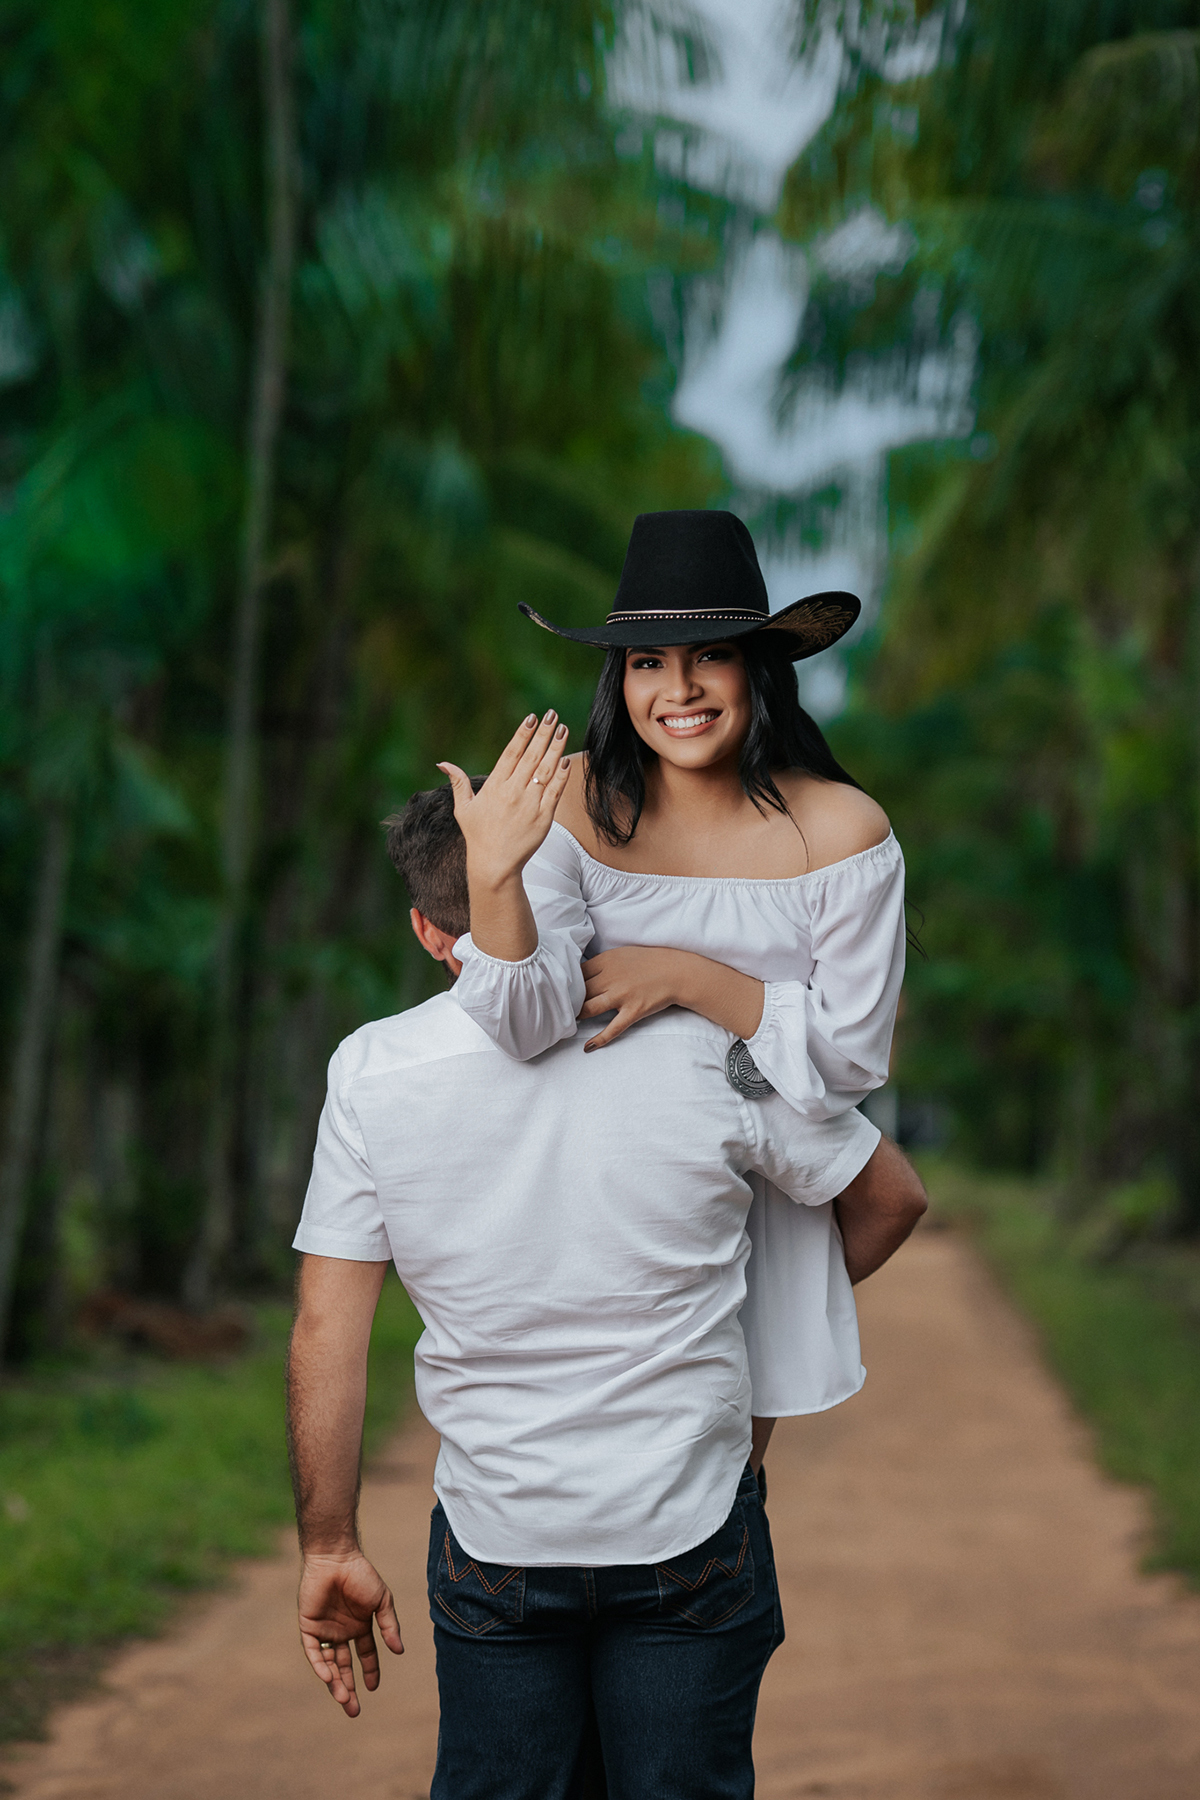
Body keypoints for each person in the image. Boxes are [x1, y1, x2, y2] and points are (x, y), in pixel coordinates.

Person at [287, 783, 927, 1800]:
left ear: (426, 931)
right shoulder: (708, 1047)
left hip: (498, 1533)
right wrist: (731, 1319)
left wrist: (329, 1542)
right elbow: (889, 1199)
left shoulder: (371, 1073)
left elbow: (328, 1327)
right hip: (690, 1522)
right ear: (574, 888)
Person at [440, 508, 906, 1468]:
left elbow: (850, 1061)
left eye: (711, 657)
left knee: (716, 1500)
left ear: (758, 668)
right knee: (563, 1490)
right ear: (619, 678)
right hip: (585, 1192)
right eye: (648, 662)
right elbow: (523, 1023)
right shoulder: (562, 803)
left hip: (759, 1209)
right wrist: (493, 876)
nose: (679, 690)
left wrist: (692, 978)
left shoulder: (844, 832)